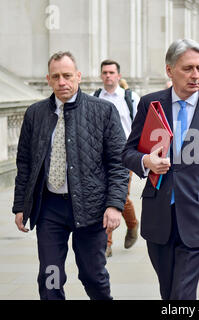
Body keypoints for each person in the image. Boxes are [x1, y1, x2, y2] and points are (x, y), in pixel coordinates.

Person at [122, 39, 199, 300]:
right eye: (188, 68)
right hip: (158, 217)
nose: (196, 75)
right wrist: (147, 162)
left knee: (181, 295)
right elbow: (128, 153)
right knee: (168, 294)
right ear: (170, 71)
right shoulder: (150, 104)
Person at [12, 51, 129, 300]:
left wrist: (114, 205)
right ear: (48, 79)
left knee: (92, 274)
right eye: (56, 77)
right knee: (50, 275)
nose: (62, 82)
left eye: (67, 75)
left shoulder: (103, 111)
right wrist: (21, 205)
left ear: (78, 76)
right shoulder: (35, 114)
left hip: (91, 208)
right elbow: (25, 163)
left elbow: (118, 163)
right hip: (50, 209)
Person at [94, 59, 140, 257]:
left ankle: (132, 224)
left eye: (112, 72)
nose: (108, 76)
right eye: (105, 72)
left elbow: (140, 126)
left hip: (124, 155)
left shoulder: (130, 98)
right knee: (105, 196)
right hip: (99, 155)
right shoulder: (94, 98)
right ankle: (107, 243)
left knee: (121, 196)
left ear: (118, 76)